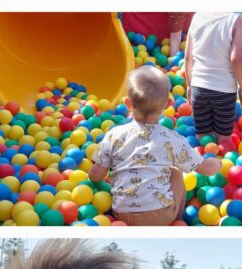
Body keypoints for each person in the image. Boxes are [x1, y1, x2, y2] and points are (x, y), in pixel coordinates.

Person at [89, 67, 222, 225]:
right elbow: (205, 168)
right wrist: (217, 163)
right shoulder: (171, 139)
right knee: (175, 173)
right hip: (161, 216)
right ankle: (176, 220)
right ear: (168, 104)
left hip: (122, 214)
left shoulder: (114, 135)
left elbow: (95, 175)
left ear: (127, 103)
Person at [184, 13, 242, 146]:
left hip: (199, 87)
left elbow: (188, 57)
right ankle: (220, 165)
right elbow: (237, 58)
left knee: (203, 138)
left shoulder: (197, 16)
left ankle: (203, 163)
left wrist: (190, 86)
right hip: (223, 91)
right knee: (224, 141)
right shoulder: (237, 21)